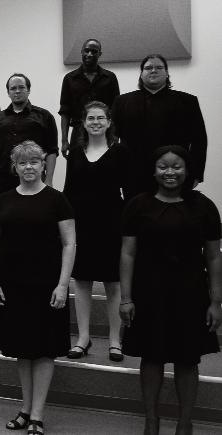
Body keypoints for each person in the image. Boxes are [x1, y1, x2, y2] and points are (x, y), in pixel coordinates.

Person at [119, 145, 221, 435]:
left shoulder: (204, 206)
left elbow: (214, 256)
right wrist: (125, 298)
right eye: (163, 166)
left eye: (177, 166)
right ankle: (151, 421)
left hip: (191, 293)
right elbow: (127, 253)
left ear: (187, 171)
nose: (170, 172)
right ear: (153, 171)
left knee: (187, 359)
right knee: (152, 357)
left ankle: (184, 423)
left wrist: (216, 301)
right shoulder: (138, 205)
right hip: (149, 293)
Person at [0, 141, 75, 435]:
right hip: (13, 285)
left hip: (47, 285)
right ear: (15, 167)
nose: (29, 167)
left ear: (43, 166)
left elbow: (69, 244)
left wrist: (62, 285)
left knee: (44, 349)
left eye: (34, 162)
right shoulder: (4, 200)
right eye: (23, 162)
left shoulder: (57, 200)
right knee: (22, 350)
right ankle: (25, 409)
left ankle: (37, 414)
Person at [63, 101, 129, 362]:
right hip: (82, 224)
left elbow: (129, 190)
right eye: (91, 118)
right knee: (82, 281)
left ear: (109, 122)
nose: (96, 122)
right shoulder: (75, 153)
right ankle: (83, 338)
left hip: (112, 222)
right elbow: (69, 190)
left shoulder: (121, 151)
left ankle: (114, 340)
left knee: (113, 283)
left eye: (101, 118)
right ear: (84, 122)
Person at [112, 54, 207, 198]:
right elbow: (112, 140)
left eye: (159, 67)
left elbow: (199, 140)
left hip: (174, 175)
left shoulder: (188, 102)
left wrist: (196, 174)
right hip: (133, 175)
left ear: (167, 73)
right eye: (148, 68)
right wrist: (115, 172)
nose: (153, 70)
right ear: (141, 74)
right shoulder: (122, 102)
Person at [0, 73, 58, 198]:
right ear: (8, 92)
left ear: (28, 90)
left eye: (21, 87)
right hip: (5, 180)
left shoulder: (44, 116)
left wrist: (49, 180)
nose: (17, 91)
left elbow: (52, 151)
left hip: (35, 179)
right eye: (13, 88)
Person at [58, 39, 119, 156]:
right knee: (77, 166)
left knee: (105, 165)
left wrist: (115, 135)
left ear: (100, 54)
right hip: (78, 132)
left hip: (104, 132)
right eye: (86, 51)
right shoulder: (69, 79)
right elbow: (65, 111)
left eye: (94, 51)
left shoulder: (110, 78)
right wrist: (64, 140)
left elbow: (115, 109)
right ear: (81, 52)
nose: (89, 54)